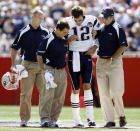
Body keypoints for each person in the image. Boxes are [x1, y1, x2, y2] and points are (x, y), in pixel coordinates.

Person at [10, 8, 49, 127]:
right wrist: (13, 65)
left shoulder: (46, 32)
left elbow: (49, 49)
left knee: (45, 93)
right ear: (33, 16)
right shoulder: (24, 31)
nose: (41, 20)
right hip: (27, 65)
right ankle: (24, 119)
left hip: (42, 66)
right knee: (26, 93)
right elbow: (14, 48)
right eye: (39, 17)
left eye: (43, 18)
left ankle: (45, 119)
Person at [65, 6, 100, 127]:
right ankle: (77, 120)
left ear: (83, 15)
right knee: (75, 88)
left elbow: (100, 35)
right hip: (73, 56)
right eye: (76, 20)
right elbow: (58, 37)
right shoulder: (67, 22)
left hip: (86, 55)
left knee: (87, 86)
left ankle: (90, 118)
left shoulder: (92, 19)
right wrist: (68, 39)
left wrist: (95, 47)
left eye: (80, 20)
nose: (78, 22)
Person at [94, 7, 128, 127]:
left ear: (112, 17)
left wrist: (111, 59)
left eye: (106, 17)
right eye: (103, 17)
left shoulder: (118, 28)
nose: (103, 19)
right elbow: (94, 38)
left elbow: (124, 46)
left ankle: (121, 115)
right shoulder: (101, 28)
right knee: (103, 93)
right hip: (101, 61)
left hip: (114, 62)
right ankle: (109, 120)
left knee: (116, 92)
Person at [37, 20, 70, 128]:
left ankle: (53, 120)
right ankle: (45, 120)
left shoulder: (64, 39)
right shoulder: (48, 38)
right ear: (58, 29)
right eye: (64, 32)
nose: (66, 34)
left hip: (62, 71)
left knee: (59, 98)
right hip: (49, 70)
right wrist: (43, 70)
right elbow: (39, 55)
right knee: (47, 96)